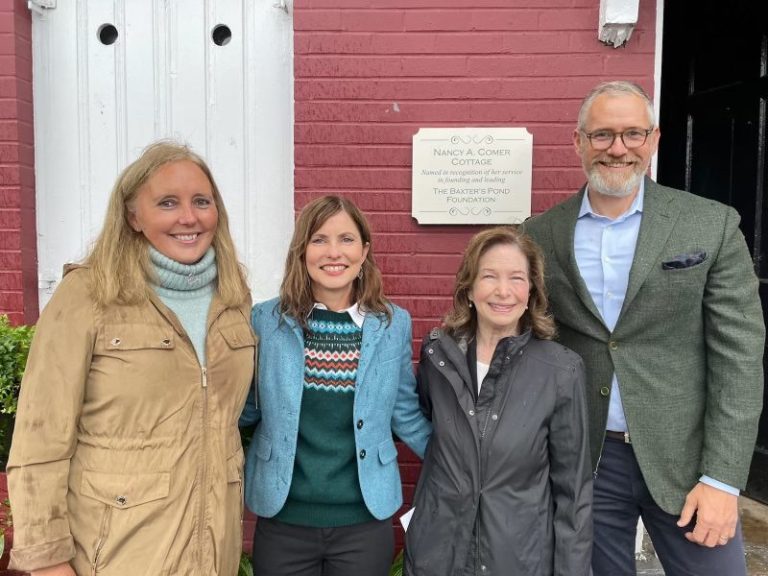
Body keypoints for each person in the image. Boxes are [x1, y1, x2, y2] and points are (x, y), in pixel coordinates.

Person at [523, 80, 765, 576]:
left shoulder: (710, 225)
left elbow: (738, 357)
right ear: (578, 142)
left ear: (654, 140)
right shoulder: (540, 234)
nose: (618, 148)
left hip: (688, 459)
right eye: (603, 135)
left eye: (633, 134)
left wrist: (723, 478)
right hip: (585, 459)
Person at [6, 140, 256, 576]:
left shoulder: (233, 299)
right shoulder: (88, 295)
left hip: (213, 550)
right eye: (167, 202)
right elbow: (39, 438)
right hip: (116, 554)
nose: (189, 217)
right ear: (133, 216)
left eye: (202, 201)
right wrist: (47, 560)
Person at [240, 195, 431, 576]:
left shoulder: (392, 324)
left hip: (363, 523)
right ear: (302, 250)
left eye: (346, 239)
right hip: (284, 522)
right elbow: (244, 407)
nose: (333, 252)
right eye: (319, 239)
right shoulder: (265, 321)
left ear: (364, 251)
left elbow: (405, 411)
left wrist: (467, 464)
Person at [404, 226, 592, 576]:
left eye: (517, 278)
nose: (503, 291)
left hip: (519, 558)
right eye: (489, 276)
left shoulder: (561, 370)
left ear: (531, 291)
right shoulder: (437, 357)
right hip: (439, 554)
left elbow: (573, 493)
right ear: (469, 289)